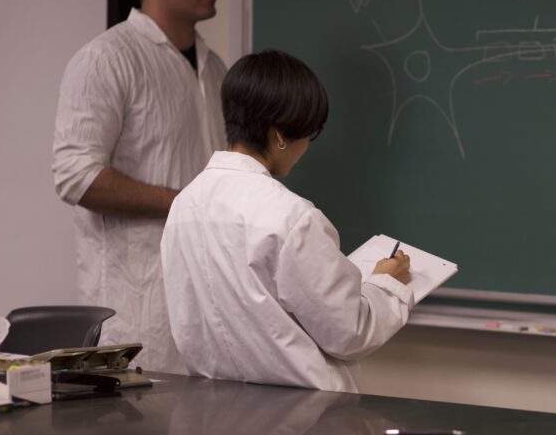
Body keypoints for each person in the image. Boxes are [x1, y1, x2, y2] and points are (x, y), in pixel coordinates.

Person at [160, 50, 414, 391]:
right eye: (310, 133)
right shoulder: (292, 217)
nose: (307, 145)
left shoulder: (183, 207)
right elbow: (350, 333)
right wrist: (385, 283)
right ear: (279, 135)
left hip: (214, 411)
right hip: (301, 420)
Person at [52, 0, 227, 372]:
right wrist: (184, 202)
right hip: (137, 314)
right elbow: (76, 178)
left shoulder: (215, 68)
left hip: (208, 303)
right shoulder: (107, 59)